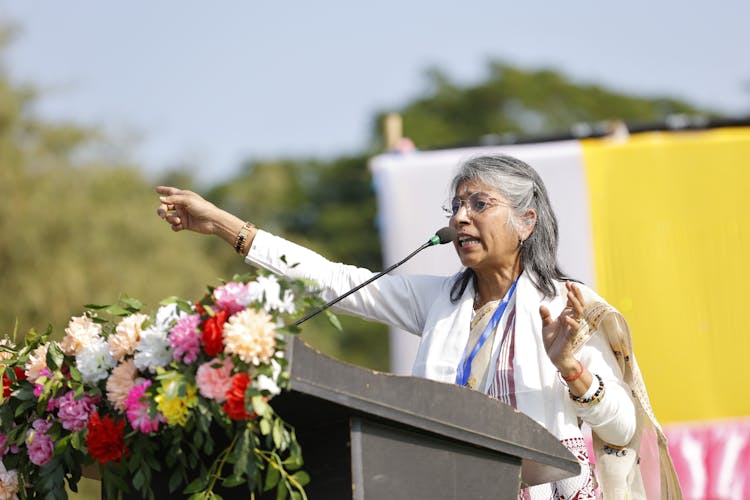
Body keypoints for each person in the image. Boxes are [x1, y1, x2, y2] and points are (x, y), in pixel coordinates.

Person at [156, 154, 681, 499]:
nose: (460, 218)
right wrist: (225, 225)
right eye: (456, 206)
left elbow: (623, 429)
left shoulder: (569, 307)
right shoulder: (441, 303)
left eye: (479, 204)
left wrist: (570, 368)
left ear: (527, 220)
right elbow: (334, 280)